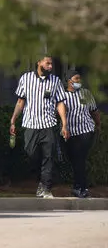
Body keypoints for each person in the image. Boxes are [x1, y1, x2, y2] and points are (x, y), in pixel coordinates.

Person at [9, 54, 69, 198]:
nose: (50, 66)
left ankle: (46, 187)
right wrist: (12, 120)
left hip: (48, 125)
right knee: (31, 154)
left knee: (48, 157)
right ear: (39, 62)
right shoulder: (26, 78)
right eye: (47, 63)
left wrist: (64, 124)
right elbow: (20, 102)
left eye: (51, 64)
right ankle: (39, 180)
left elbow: (60, 103)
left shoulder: (55, 81)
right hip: (30, 124)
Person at [63, 69, 101, 198]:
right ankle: (77, 186)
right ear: (69, 81)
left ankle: (82, 187)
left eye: (80, 78)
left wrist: (98, 124)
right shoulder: (63, 96)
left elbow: (94, 111)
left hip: (85, 130)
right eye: (76, 79)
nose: (79, 81)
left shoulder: (85, 93)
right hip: (70, 132)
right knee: (74, 160)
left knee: (80, 158)